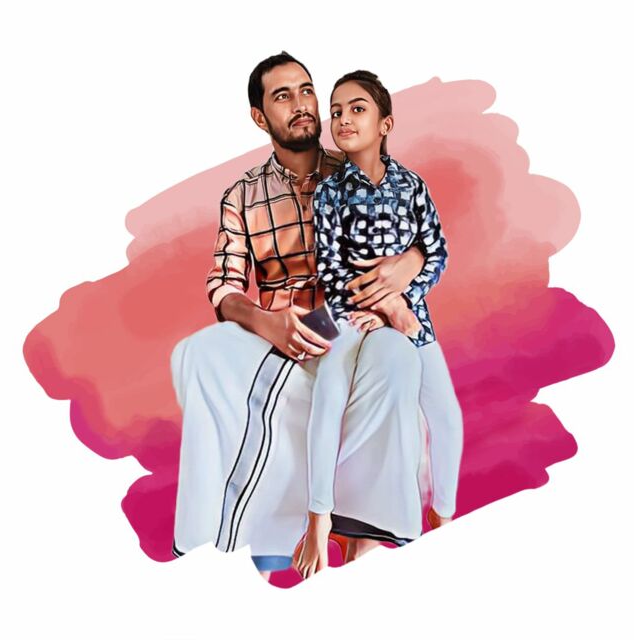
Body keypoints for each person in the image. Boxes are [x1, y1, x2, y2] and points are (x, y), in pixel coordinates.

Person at [171, 53, 430, 581]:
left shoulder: (355, 171)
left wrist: (413, 260)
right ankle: (213, 544)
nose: (301, 104)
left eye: (307, 90)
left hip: (352, 320)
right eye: (283, 95)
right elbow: (224, 286)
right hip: (282, 332)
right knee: (194, 353)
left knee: (397, 357)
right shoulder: (242, 196)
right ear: (259, 116)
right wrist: (266, 322)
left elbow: (416, 230)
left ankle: (364, 540)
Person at [293, 70, 463, 579]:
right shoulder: (330, 193)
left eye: (357, 109)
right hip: (345, 313)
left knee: (447, 416)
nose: (343, 119)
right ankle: (319, 517)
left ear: (385, 123)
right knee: (329, 396)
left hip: (412, 316)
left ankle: (444, 518)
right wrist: (383, 306)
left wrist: (400, 301)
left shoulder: (412, 186)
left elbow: (436, 252)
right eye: (336, 111)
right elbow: (330, 268)